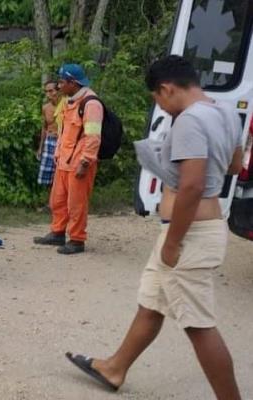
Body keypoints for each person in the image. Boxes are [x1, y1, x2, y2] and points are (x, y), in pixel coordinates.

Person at [65, 55, 245, 400]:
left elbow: (191, 186)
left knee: (198, 325)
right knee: (152, 303)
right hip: (198, 227)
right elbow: (235, 165)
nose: (161, 108)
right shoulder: (224, 112)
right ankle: (114, 368)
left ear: (166, 88)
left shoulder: (190, 121)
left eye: (157, 100)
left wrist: (173, 242)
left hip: (188, 233)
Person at [33, 64, 103, 255]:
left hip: (79, 163)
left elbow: (93, 137)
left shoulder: (91, 104)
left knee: (76, 203)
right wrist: (57, 154)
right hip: (64, 161)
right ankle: (57, 232)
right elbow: (63, 132)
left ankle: (77, 240)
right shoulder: (69, 102)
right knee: (58, 200)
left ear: (73, 83)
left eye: (62, 82)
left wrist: (85, 162)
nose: (59, 85)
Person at [37, 80, 61, 186]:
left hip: (63, 142)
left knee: (60, 173)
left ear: (58, 91)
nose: (48, 94)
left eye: (51, 91)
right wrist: (40, 147)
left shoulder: (66, 106)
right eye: (46, 92)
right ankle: (51, 201)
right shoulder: (45, 108)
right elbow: (44, 127)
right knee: (47, 174)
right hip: (50, 141)